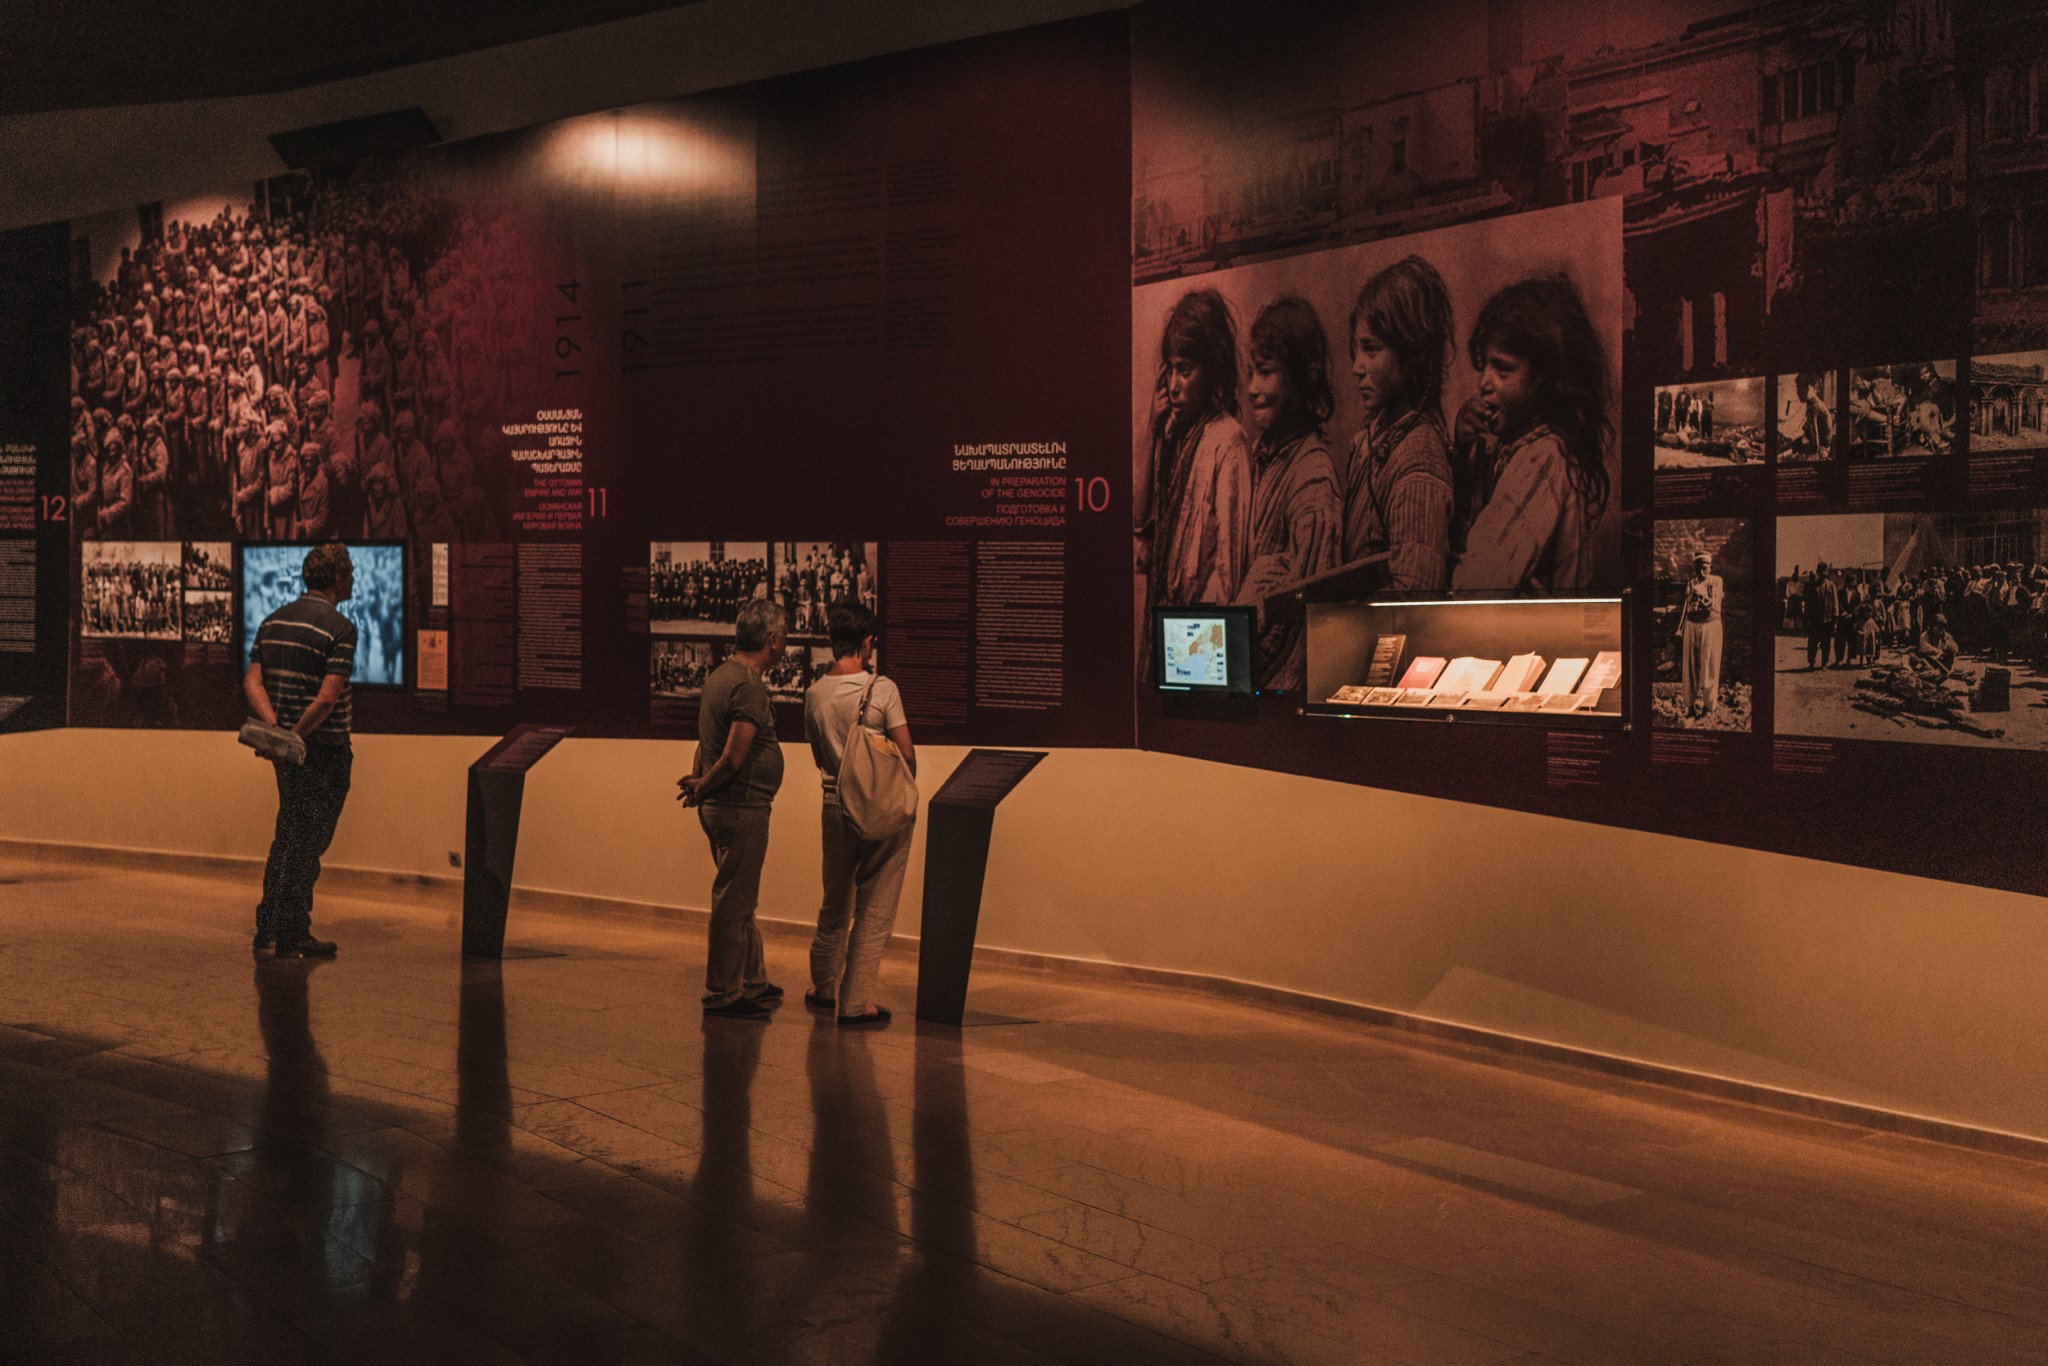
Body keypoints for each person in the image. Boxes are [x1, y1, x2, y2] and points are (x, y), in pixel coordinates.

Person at [1449, 273, 1612, 591]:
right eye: (1484, 366)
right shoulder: (1517, 449)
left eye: (1503, 369)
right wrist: (1463, 453)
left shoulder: (1542, 460)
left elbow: (1476, 583)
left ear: (1546, 380)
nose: (1483, 383)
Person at [803, 600, 916, 1027]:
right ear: (867, 642)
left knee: (834, 901)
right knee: (875, 907)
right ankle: (855, 1003)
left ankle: (823, 988)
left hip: (833, 804)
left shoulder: (814, 693)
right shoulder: (882, 689)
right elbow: (906, 752)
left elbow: (818, 755)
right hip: (878, 808)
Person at [677, 600, 789, 1021]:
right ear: (772, 640)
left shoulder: (721, 675)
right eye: (784, 635)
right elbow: (732, 756)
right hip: (741, 807)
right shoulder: (747, 685)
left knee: (741, 898)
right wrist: (704, 784)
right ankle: (723, 992)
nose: (786, 643)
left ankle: (753, 980)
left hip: (726, 805)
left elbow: (706, 740)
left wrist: (698, 781)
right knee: (733, 903)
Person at [243, 543, 357, 958]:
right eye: (350, 573)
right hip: (323, 749)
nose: (353, 580)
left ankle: (273, 927)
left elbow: (252, 681)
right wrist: (295, 736)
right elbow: (327, 699)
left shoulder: (273, 620)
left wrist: (277, 733)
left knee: (291, 832)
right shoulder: (340, 628)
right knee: (307, 840)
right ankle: (287, 930)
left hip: (288, 753)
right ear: (338, 578)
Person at [1239, 295, 1343, 689]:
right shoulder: (1261, 454)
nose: (1252, 388)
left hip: (1276, 686)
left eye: (1265, 373)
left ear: (1301, 378)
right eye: (1250, 373)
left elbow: (1302, 616)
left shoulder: (1313, 477)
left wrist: (1243, 668)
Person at [1341, 255, 1455, 588]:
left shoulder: (1419, 461)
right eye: (1357, 350)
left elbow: (1414, 595)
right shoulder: (1375, 436)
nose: (1357, 367)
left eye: (1371, 350)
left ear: (1411, 352)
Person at [1137, 288, 1250, 609]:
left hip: (1200, 623)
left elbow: (1229, 570)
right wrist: (1151, 432)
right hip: (1166, 611)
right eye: (1169, 370)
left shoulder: (1228, 441)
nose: (1173, 386)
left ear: (1210, 371)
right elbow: (1139, 520)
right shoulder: (1172, 434)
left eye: (1185, 371)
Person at [1679, 551, 1723, 720]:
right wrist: (1680, 628)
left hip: (1710, 626)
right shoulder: (1691, 583)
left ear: (1710, 567)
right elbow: (1686, 605)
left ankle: (1709, 706)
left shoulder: (1716, 581)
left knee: (1710, 664)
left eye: (1704, 568)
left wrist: (1703, 597)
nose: (1701, 572)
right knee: (1690, 665)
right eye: (1697, 569)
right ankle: (1690, 706)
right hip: (1692, 626)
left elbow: (1714, 602)